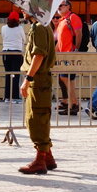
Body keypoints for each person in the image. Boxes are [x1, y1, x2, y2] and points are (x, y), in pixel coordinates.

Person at [18, 10, 58, 174]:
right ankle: (48, 156)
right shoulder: (42, 25)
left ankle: (40, 159)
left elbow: (39, 55)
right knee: (37, 117)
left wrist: (28, 79)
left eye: (24, 7)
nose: (21, 10)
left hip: (38, 79)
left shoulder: (39, 27)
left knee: (36, 119)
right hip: (40, 79)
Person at [53, 0, 82, 115]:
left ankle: (73, 104)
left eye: (61, 5)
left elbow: (79, 33)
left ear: (68, 7)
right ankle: (73, 104)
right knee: (67, 79)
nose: (59, 8)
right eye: (58, 6)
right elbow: (59, 41)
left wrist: (76, 50)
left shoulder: (73, 17)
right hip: (63, 55)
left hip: (70, 53)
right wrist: (54, 53)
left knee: (65, 78)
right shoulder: (62, 20)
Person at [0, 11, 24, 101]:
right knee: (16, 74)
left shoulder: (3, 28)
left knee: (7, 74)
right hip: (17, 52)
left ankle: (7, 97)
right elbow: (24, 39)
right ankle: (15, 97)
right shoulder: (20, 28)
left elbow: (3, 37)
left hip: (6, 52)